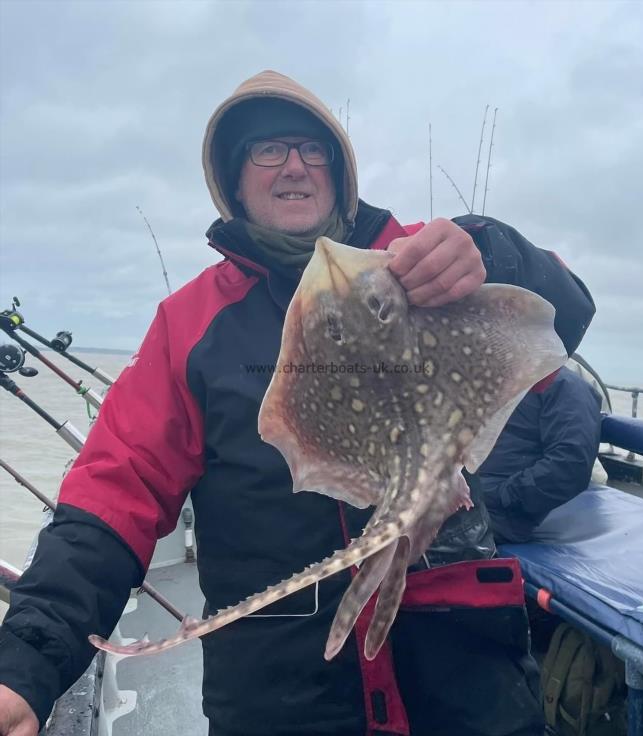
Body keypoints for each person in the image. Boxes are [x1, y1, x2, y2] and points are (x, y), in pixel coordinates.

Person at [0, 70, 596, 736]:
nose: (293, 166)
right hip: (285, 689)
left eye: (313, 150)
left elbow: (565, 315)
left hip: (459, 672)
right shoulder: (190, 323)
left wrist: (487, 249)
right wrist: (26, 663)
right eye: (268, 150)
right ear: (234, 176)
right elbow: (115, 493)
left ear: (340, 171)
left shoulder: (419, 254)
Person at [477, 366, 603, 544]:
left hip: (500, 512)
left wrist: (504, 495)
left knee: (432, 534)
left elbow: (570, 466)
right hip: (465, 494)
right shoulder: (497, 379)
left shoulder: (567, 387)